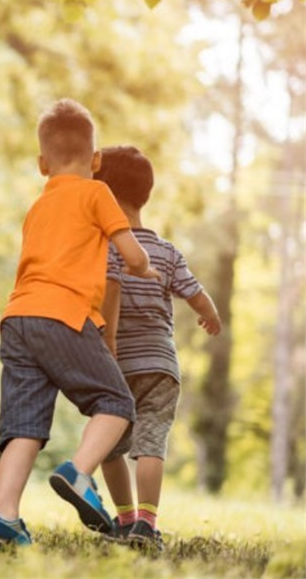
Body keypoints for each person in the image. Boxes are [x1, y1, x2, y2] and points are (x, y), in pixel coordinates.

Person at [0, 98, 159, 549]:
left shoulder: (38, 207)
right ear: (96, 161)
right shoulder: (97, 192)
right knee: (117, 404)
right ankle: (79, 472)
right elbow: (131, 252)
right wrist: (145, 267)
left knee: (23, 426)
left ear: (42, 164)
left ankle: (3, 516)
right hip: (64, 315)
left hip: (18, 318)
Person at [95, 146, 222, 551]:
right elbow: (196, 294)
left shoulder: (104, 247)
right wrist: (211, 316)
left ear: (104, 195)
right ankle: (147, 524)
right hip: (161, 366)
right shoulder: (166, 251)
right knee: (152, 442)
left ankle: (126, 519)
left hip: (116, 364)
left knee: (109, 446)